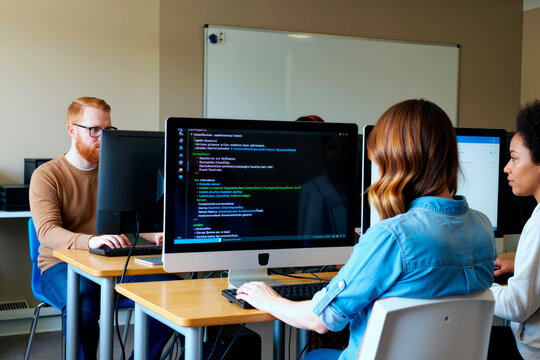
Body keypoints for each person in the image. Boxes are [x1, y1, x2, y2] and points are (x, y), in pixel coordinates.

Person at [236, 99, 497, 360]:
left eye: (379, 160)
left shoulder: (392, 237)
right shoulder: (483, 228)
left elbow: (320, 320)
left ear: (396, 161)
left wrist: (269, 299)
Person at [29, 97, 176, 360]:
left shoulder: (119, 171)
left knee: (172, 292)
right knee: (81, 305)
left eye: (107, 130)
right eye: (94, 130)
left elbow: (135, 218)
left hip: (113, 262)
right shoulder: (47, 175)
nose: (102, 137)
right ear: (72, 130)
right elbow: (47, 232)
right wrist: (91, 241)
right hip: (61, 266)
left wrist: (157, 235)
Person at [489, 100, 540, 360]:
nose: (506, 167)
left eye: (514, 157)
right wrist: (518, 265)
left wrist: (476, 284)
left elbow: (516, 306)